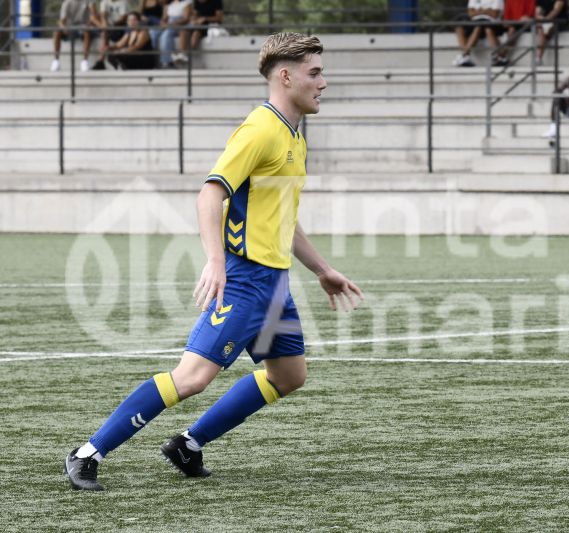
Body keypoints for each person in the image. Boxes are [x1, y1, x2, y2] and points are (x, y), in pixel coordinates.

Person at [64, 32, 363, 491]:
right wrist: (216, 261)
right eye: (315, 72)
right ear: (286, 76)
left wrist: (321, 269)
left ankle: (188, 444)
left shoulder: (294, 136)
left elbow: (283, 218)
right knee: (193, 377)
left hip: (273, 283)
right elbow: (210, 194)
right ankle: (87, 452)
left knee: (289, 374)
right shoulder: (260, 129)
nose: (323, 82)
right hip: (244, 279)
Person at [51, 0, 100, 72]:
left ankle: (84, 61)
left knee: (87, 32)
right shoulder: (67, 2)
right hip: (70, 27)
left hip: (84, 27)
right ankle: (56, 61)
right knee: (56, 32)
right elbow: (61, 21)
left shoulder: (89, 1)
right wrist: (64, 28)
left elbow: (94, 16)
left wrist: (89, 22)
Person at [452, 0, 504, 67]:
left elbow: (494, 14)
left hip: (491, 23)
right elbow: (470, 13)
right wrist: (487, 11)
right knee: (459, 27)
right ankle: (465, 56)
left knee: (478, 26)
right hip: (475, 22)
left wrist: (478, 11)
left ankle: (465, 55)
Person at [93, 0, 135, 69]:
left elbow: (123, 18)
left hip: (120, 27)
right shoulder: (104, 2)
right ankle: (102, 60)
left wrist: (112, 26)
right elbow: (103, 16)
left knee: (105, 33)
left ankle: (103, 60)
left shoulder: (124, 2)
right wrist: (106, 25)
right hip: (108, 28)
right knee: (104, 33)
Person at [493, 0, 536, 67]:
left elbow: (531, 13)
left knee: (512, 29)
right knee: (510, 29)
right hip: (514, 23)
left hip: (525, 23)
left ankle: (500, 55)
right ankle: (501, 56)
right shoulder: (509, 1)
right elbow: (507, 18)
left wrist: (526, 17)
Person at [158, 0, 191, 67]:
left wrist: (173, 23)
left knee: (166, 34)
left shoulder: (186, 3)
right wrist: (163, 23)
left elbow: (186, 18)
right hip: (170, 25)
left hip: (180, 25)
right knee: (160, 34)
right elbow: (164, 18)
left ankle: (168, 61)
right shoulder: (168, 5)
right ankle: (164, 61)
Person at [534, 0, 567, 65]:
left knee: (543, 28)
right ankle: (538, 58)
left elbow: (556, 11)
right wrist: (543, 20)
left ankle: (538, 58)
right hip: (544, 23)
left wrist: (544, 21)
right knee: (542, 29)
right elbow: (537, 12)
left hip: (558, 22)